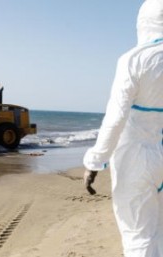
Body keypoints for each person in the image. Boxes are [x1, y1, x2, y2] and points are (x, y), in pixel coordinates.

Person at [83, 0, 163, 256]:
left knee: (138, 235)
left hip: (135, 160)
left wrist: (95, 162)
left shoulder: (133, 60)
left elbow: (115, 118)